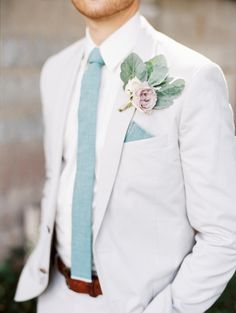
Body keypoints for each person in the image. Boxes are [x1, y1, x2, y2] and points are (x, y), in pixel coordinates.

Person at [14, 0, 236, 312]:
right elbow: (59, 176)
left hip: (142, 304)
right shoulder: (55, 69)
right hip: (55, 296)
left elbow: (224, 234)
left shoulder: (195, 76)